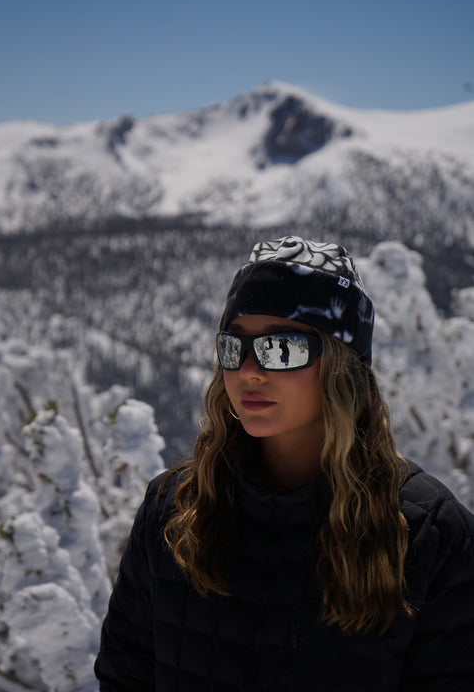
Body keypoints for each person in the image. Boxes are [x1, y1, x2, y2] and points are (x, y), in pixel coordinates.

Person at [94, 235, 474, 691]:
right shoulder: (175, 512)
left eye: (281, 348)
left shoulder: (429, 533)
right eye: (235, 347)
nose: (250, 370)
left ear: (340, 365)